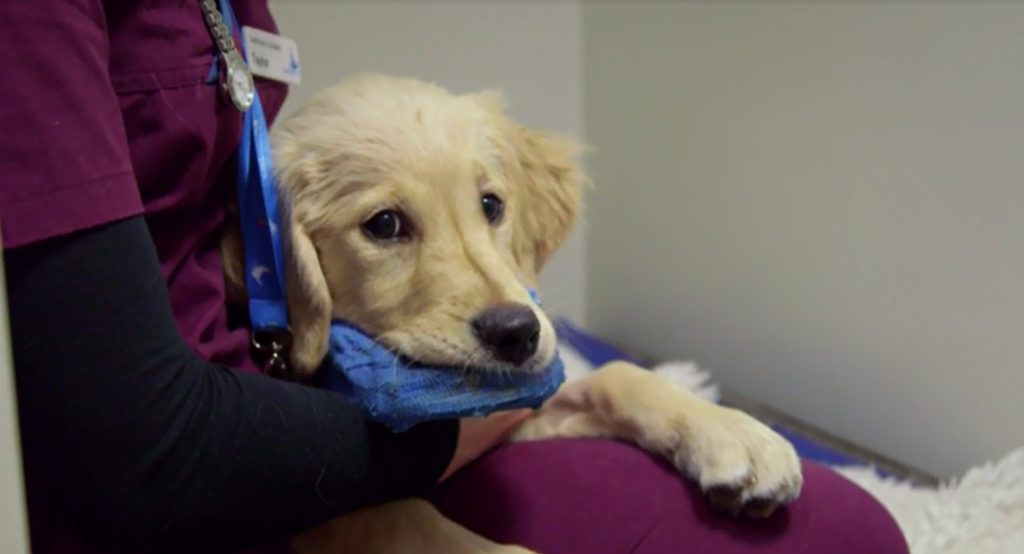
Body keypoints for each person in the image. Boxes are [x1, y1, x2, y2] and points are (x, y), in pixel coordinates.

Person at [0, 2, 910, 553]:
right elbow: (154, 453)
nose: (495, 296)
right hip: (241, 465)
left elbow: (509, 370)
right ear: (297, 255)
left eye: (488, 206)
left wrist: (637, 400)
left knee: (849, 524)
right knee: (842, 541)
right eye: (387, 227)